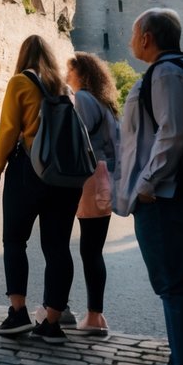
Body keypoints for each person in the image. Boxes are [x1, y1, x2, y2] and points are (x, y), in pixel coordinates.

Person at [115, 8, 183, 365]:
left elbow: (175, 132)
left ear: (149, 37)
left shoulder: (167, 75)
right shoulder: (173, 72)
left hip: (167, 199)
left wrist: (147, 185)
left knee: (177, 289)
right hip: (172, 198)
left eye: (135, 34)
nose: (131, 40)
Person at [0, 35, 82, 342]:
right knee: (57, 248)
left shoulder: (20, 83)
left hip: (29, 171)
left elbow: (8, 130)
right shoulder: (65, 89)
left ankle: (18, 313)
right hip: (65, 176)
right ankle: (52, 322)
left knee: (14, 240)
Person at [65, 52, 121, 337]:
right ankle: (95, 314)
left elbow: (75, 138)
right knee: (92, 250)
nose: (66, 75)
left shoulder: (84, 100)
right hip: (104, 177)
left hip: (87, 178)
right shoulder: (105, 103)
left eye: (70, 70)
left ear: (81, 74)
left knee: (76, 248)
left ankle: (88, 314)